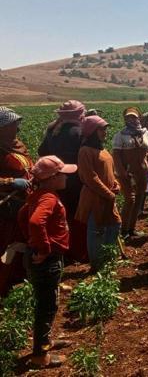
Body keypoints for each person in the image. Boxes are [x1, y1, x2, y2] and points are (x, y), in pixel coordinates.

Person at [19, 156, 77, 369]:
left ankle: (46, 341)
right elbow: (35, 221)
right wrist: (43, 248)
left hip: (45, 257)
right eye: (63, 174)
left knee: (48, 302)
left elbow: (22, 215)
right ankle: (39, 356)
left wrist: (31, 240)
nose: (66, 177)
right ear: (52, 178)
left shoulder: (39, 195)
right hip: (48, 259)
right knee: (47, 305)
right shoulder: (49, 199)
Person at [38, 100, 88, 264]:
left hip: (55, 179)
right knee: (77, 216)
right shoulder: (78, 132)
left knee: (61, 215)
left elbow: (42, 151)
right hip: (74, 178)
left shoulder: (52, 130)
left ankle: (63, 251)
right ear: (79, 114)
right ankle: (76, 252)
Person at [75, 116, 122, 271]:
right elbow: (90, 177)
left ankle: (107, 258)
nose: (105, 132)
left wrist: (115, 184)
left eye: (105, 129)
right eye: (101, 129)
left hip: (108, 195)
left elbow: (109, 172)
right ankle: (97, 265)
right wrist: (108, 193)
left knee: (114, 224)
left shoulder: (102, 148)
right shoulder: (85, 151)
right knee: (97, 230)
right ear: (92, 131)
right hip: (95, 197)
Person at [0, 107, 33, 296]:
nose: (17, 128)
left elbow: (27, 163)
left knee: (23, 242)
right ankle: (5, 284)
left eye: (16, 124)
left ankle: (20, 280)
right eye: (12, 125)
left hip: (24, 202)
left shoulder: (17, 145)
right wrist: (12, 182)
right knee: (8, 244)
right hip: (7, 206)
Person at [113, 107, 148, 239]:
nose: (131, 119)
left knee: (139, 199)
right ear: (125, 119)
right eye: (128, 117)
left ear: (139, 118)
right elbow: (116, 155)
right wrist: (121, 171)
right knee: (130, 200)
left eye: (134, 117)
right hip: (127, 172)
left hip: (141, 171)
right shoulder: (120, 135)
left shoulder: (145, 133)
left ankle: (132, 229)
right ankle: (123, 230)